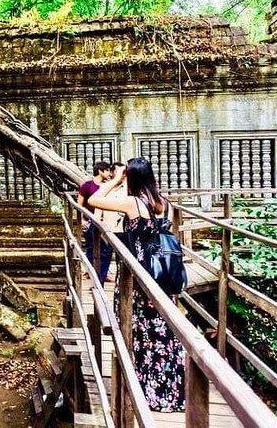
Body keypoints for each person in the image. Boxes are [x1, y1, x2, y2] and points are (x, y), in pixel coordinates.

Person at [88, 157, 185, 412]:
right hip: (159, 273)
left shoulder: (133, 203)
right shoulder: (160, 202)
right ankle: (167, 385)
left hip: (138, 275)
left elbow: (93, 200)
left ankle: (148, 387)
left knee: (141, 328)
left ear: (132, 177)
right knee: (160, 329)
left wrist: (115, 181)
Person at [77, 161, 113, 284]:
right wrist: (81, 219)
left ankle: (102, 272)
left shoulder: (108, 186)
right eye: (107, 170)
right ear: (100, 171)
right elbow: (79, 204)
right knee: (91, 246)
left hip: (104, 220)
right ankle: (90, 271)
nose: (109, 173)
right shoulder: (87, 186)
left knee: (106, 248)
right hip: (89, 219)